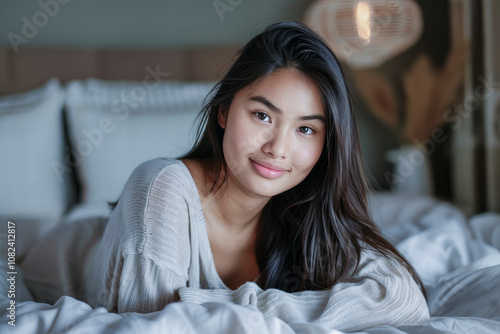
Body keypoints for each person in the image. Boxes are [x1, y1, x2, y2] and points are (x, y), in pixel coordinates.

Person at [62, 21, 429, 331]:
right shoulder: (161, 188)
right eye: (262, 116)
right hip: (48, 254)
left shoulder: (306, 209)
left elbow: (401, 297)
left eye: (305, 130)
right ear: (224, 112)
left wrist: (219, 303)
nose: (277, 148)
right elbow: (154, 324)